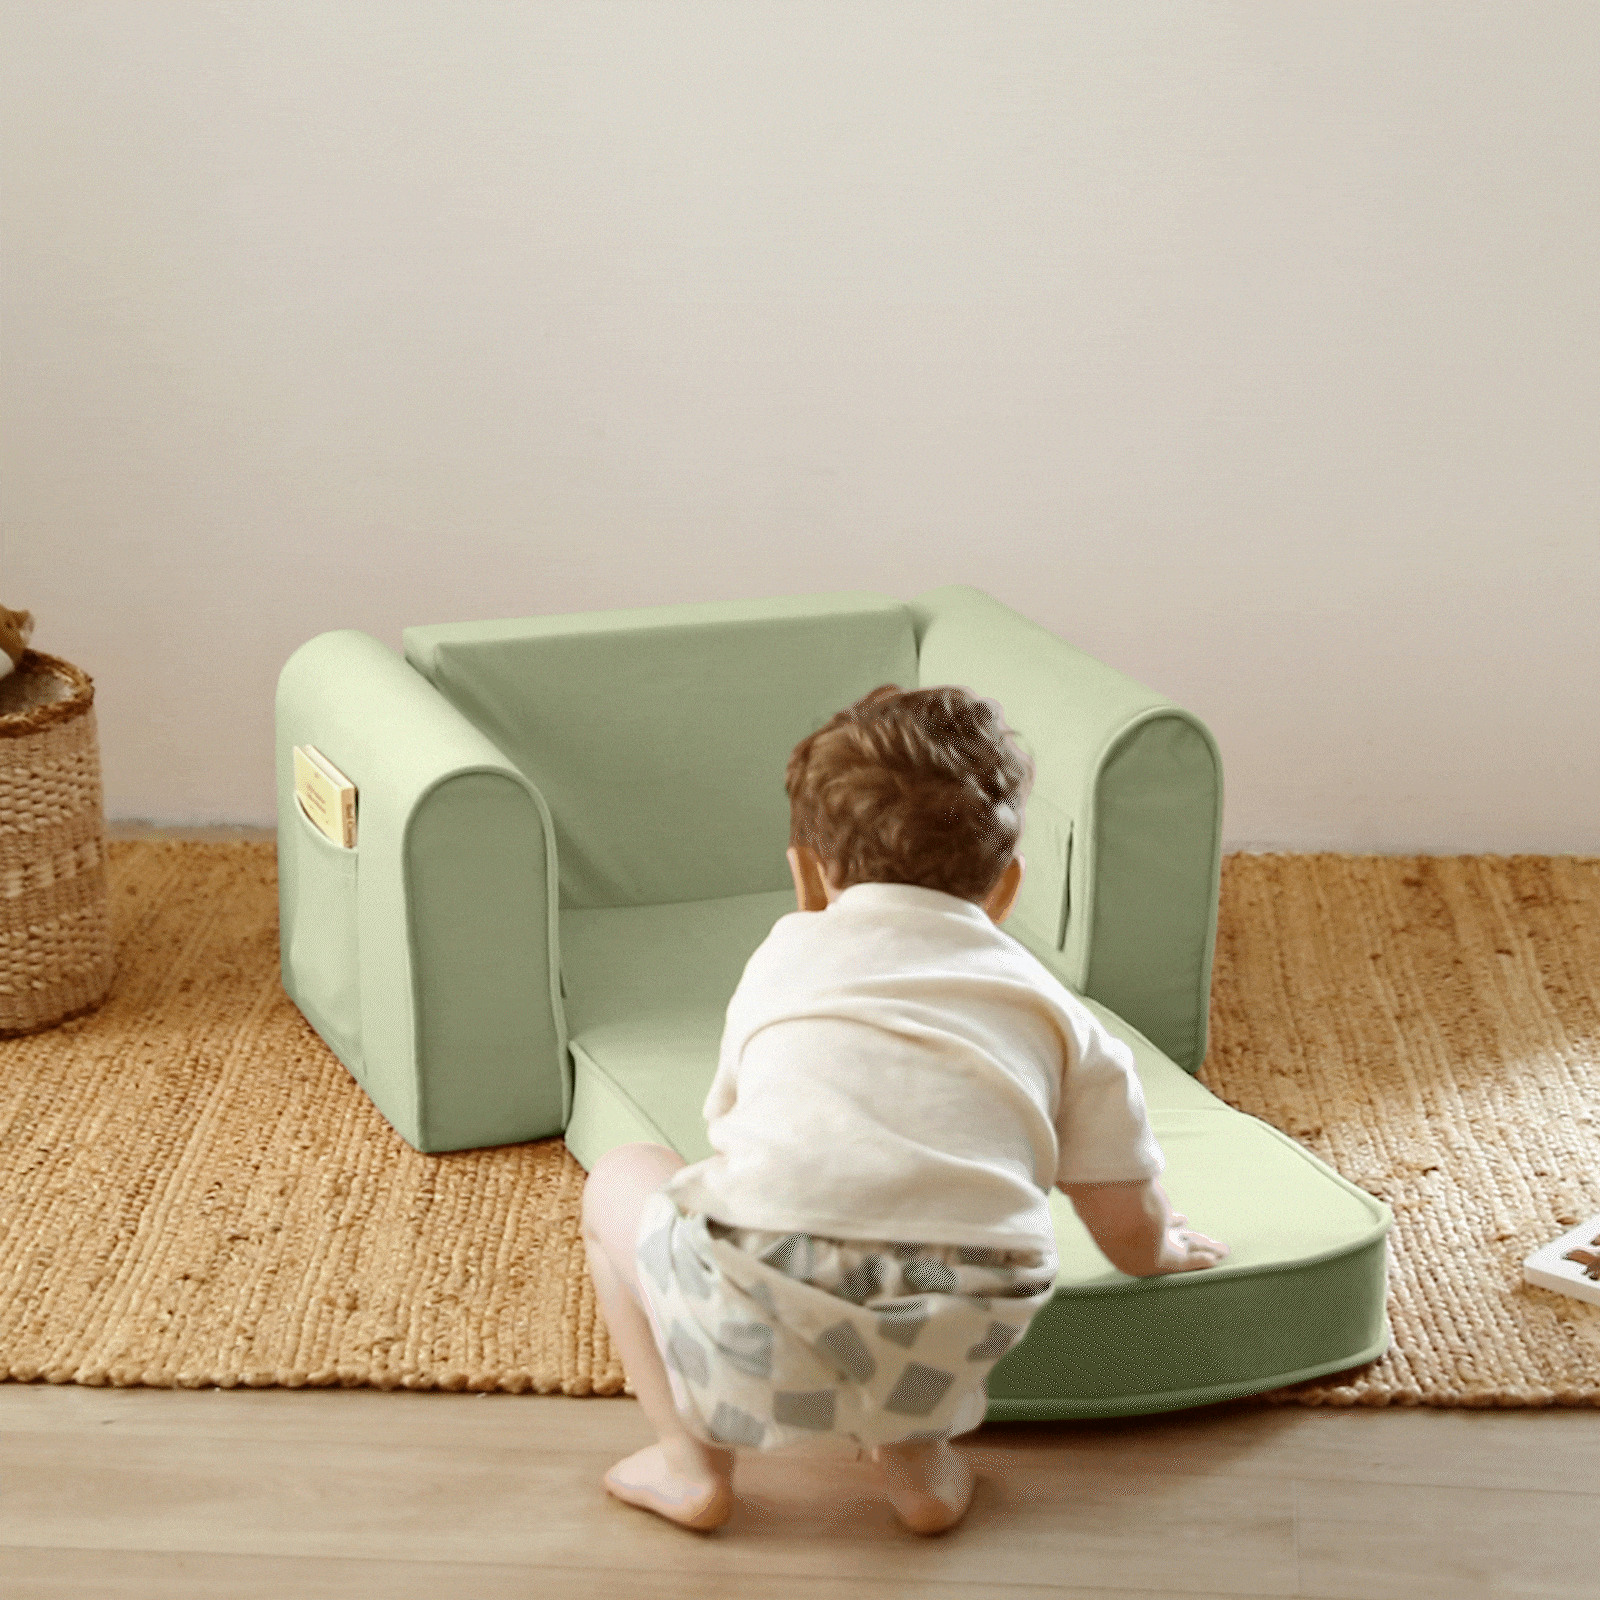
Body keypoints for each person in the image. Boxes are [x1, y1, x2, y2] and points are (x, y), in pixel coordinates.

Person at [580, 683, 1229, 1535]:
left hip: (770, 1292)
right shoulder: (1060, 1016)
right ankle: (917, 1465)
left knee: (626, 1180)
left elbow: (735, 1129)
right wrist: (1162, 1249)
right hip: (959, 1309)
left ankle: (689, 1463)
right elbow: (1122, 1215)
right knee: (928, 1241)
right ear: (1007, 889)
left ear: (807, 876)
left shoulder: (786, 955)